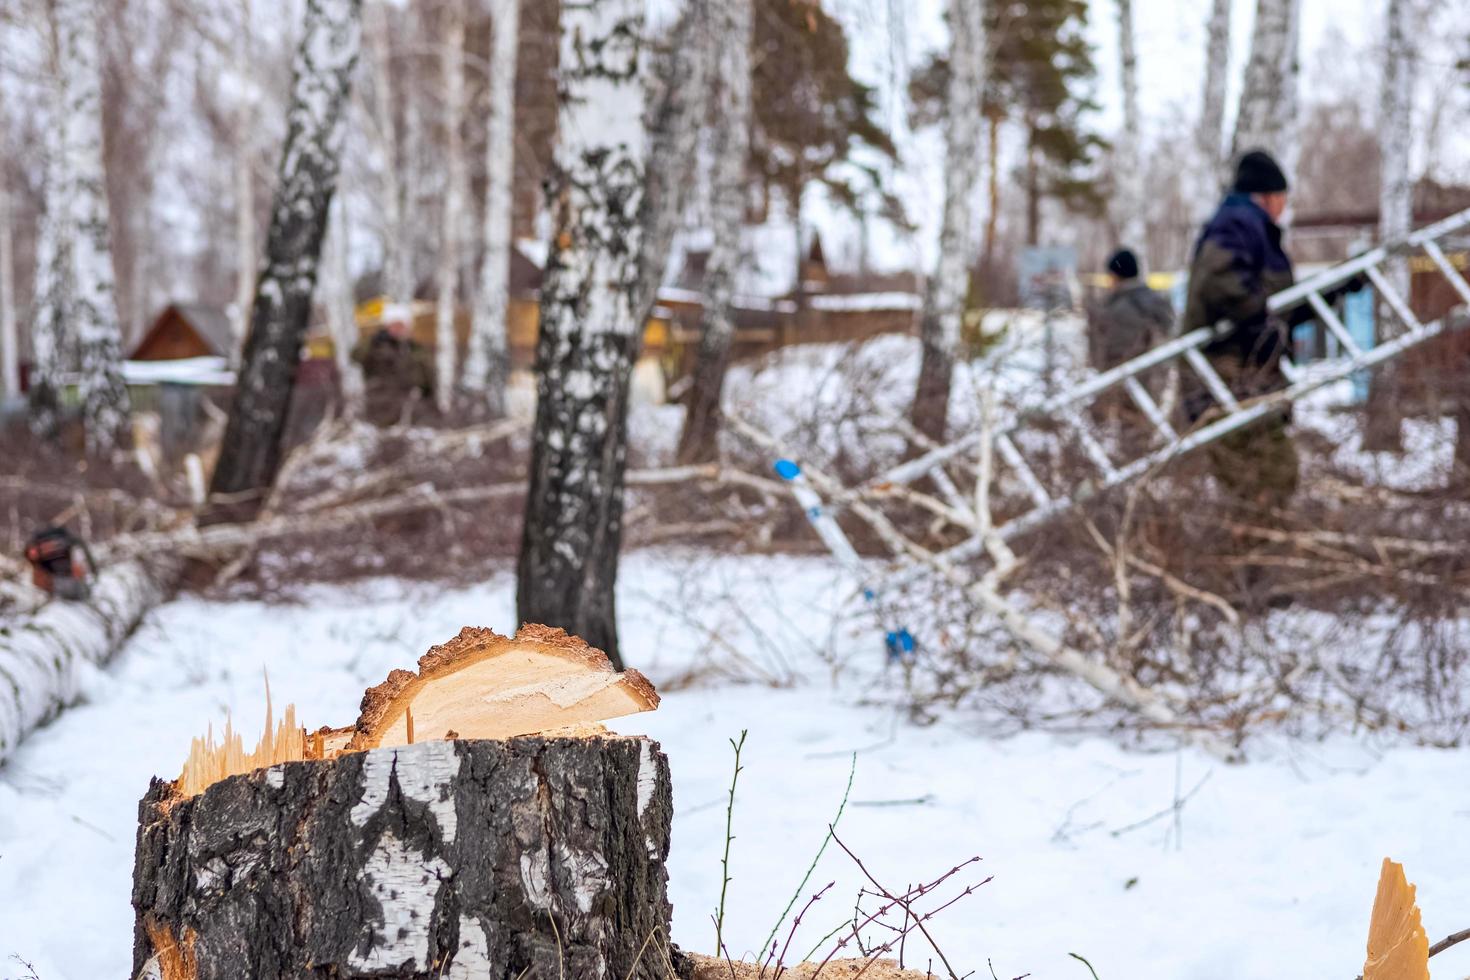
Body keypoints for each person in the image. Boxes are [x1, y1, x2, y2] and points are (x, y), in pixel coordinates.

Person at [1181, 149, 1360, 511]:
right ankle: (1248, 560)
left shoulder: (1250, 229)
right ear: (1266, 196)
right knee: (1267, 476)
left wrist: (1335, 288)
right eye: (1283, 198)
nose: (1284, 207)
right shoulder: (1237, 224)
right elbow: (1224, 284)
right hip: (1227, 376)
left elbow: (1279, 307)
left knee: (1263, 481)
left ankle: (1251, 559)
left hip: (1245, 375)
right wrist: (1264, 333)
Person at [353, 303, 433, 426]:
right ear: (387, 326)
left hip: (409, 405)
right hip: (381, 403)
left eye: (401, 326)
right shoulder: (376, 345)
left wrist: (428, 391)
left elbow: (426, 371)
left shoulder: (413, 348)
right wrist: (372, 342)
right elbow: (355, 356)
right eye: (394, 325)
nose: (397, 329)